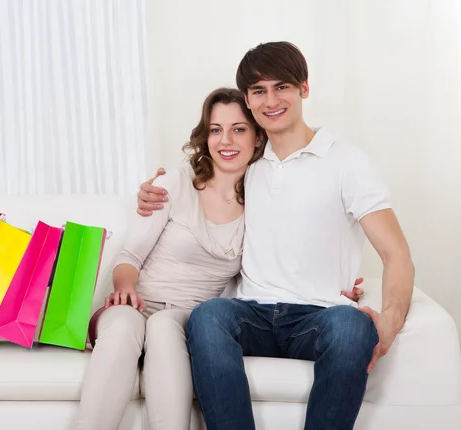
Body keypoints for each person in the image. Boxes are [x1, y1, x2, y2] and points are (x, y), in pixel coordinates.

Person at [136, 41, 414, 430]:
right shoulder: (246, 162)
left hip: (319, 315)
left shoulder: (347, 162)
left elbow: (396, 252)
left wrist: (390, 318)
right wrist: (152, 192)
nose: (271, 100)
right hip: (252, 314)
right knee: (207, 317)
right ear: (248, 101)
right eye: (258, 91)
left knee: (354, 327)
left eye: (281, 86)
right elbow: (195, 188)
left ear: (304, 87)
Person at [76, 87, 266, 430]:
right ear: (205, 136)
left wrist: (332, 286)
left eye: (239, 129)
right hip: (137, 302)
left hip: (188, 319)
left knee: (165, 326)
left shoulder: (264, 202)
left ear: (257, 137)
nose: (226, 140)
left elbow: (271, 274)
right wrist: (125, 289)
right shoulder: (174, 184)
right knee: (122, 326)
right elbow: (129, 256)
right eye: (215, 129)